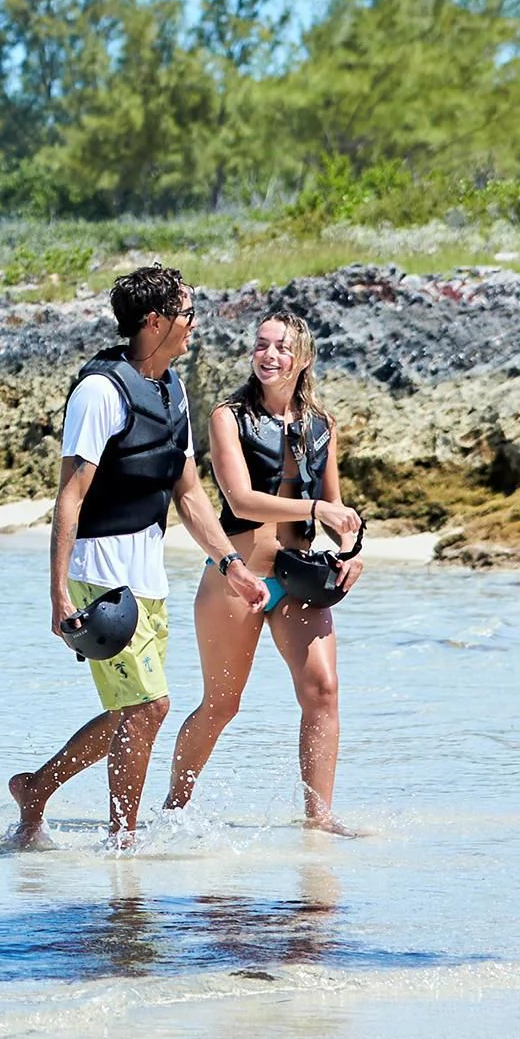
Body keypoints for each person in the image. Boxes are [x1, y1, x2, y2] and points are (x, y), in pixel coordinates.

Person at [7, 265, 264, 849]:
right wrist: (57, 595)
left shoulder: (173, 389)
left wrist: (231, 564)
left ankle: (37, 788)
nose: (194, 324)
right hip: (99, 577)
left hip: (149, 575)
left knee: (135, 708)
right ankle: (123, 843)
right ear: (156, 321)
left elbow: (190, 494)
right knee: (151, 706)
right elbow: (69, 496)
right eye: (187, 313)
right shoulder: (100, 392)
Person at [161, 309, 366, 834]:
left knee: (323, 689)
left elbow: (335, 503)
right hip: (237, 578)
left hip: (298, 579)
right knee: (222, 704)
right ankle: (174, 808)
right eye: (260, 345)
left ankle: (319, 819)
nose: (268, 356)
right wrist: (320, 514)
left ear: (302, 358)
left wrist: (351, 547)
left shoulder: (322, 425)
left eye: (280, 347)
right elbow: (241, 500)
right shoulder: (228, 416)